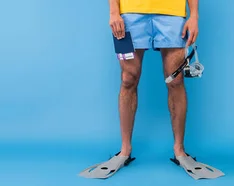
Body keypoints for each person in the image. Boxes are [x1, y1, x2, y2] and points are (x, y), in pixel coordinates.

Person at [79, 0, 224, 180]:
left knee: (175, 80)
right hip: (130, 13)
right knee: (128, 79)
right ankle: (125, 150)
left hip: (172, 13)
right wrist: (113, 12)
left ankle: (179, 150)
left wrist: (194, 15)